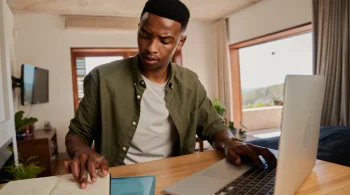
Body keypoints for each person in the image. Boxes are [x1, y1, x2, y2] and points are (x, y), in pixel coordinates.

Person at [64, 0, 277, 189]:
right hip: (120, 179)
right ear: (138, 28)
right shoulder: (102, 78)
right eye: (145, 35)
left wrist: (231, 143)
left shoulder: (190, 82)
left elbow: (214, 128)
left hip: (176, 179)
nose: (150, 48)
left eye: (164, 40)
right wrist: (83, 152)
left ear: (180, 42)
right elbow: (76, 135)